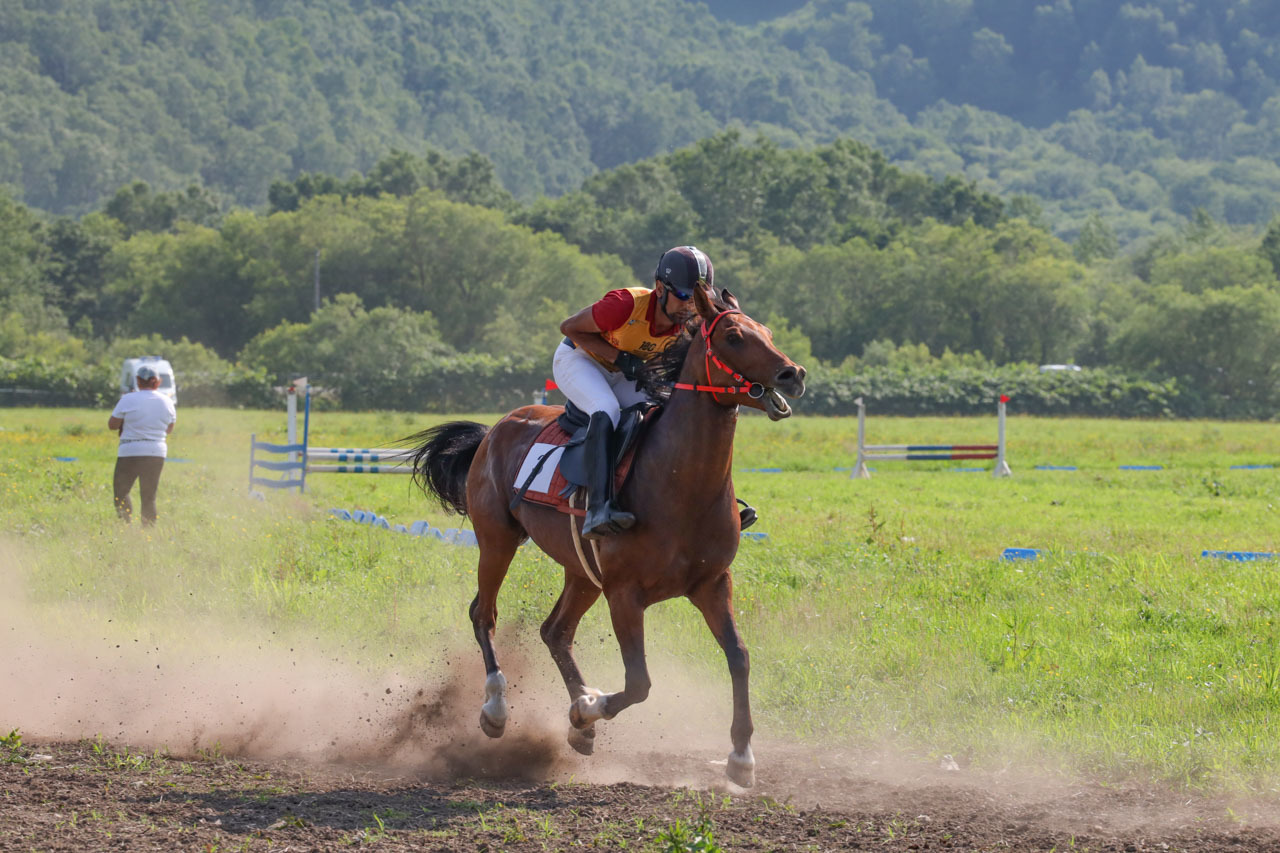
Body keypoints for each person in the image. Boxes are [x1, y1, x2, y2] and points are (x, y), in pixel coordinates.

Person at [555, 245, 756, 538]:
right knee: (606, 409)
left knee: (668, 416)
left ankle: (714, 504)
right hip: (580, 360)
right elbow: (569, 328)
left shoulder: (691, 321)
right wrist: (622, 359)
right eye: (685, 296)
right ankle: (598, 508)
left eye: (698, 297)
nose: (691, 306)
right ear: (660, 288)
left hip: (625, 372)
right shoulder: (624, 305)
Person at [107, 365, 176, 526]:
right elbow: (169, 429)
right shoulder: (167, 402)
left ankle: (126, 525)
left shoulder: (128, 399)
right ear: (157, 382)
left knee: (121, 492)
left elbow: (112, 425)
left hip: (130, 451)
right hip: (156, 451)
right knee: (149, 496)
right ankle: (148, 533)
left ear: (138, 381)